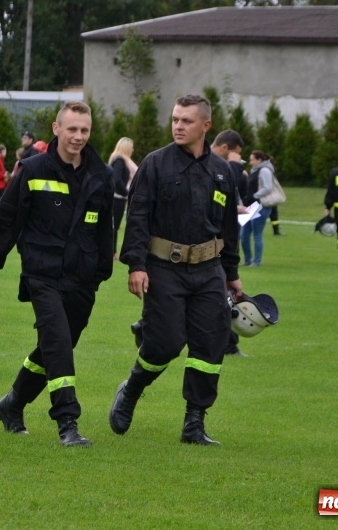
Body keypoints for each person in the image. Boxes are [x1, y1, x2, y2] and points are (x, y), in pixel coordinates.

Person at [0, 101, 114, 447]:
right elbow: (5, 221)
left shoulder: (102, 175)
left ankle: (12, 404)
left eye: (85, 130)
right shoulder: (33, 170)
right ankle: (68, 423)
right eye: (72, 129)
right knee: (59, 345)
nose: (78, 137)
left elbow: (106, 230)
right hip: (42, 275)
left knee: (53, 347)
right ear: (56, 128)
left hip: (83, 279)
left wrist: (100, 273)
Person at [110, 94, 242, 446]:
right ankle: (132, 388)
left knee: (210, 345)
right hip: (164, 268)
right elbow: (137, 218)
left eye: (186, 120)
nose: (178, 126)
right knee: (165, 342)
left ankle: (194, 423)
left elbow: (229, 228)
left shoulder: (222, 172)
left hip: (209, 270)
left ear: (205, 126)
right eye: (175, 119)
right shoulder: (155, 165)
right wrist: (135, 265)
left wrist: (232, 274)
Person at [211, 129, 248, 357]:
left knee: (217, 298)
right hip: (207, 245)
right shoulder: (211, 163)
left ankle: (229, 344)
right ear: (225, 147)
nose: (237, 158)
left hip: (220, 243)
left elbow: (227, 197)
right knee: (216, 298)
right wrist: (234, 167)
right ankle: (229, 345)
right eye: (235, 153)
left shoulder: (225, 169)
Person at [240, 150, 275, 267]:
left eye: (252, 159)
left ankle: (257, 261)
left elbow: (268, 187)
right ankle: (247, 260)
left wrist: (255, 196)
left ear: (259, 160)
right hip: (250, 206)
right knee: (244, 234)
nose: (250, 162)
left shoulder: (265, 170)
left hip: (261, 206)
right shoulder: (255, 170)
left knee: (257, 233)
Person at [108, 137, 139, 259]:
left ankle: (113, 251)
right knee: (113, 225)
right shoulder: (120, 161)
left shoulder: (119, 160)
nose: (133, 149)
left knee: (114, 225)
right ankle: (112, 252)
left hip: (119, 197)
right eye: (131, 147)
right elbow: (117, 180)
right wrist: (127, 193)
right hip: (117, 198)